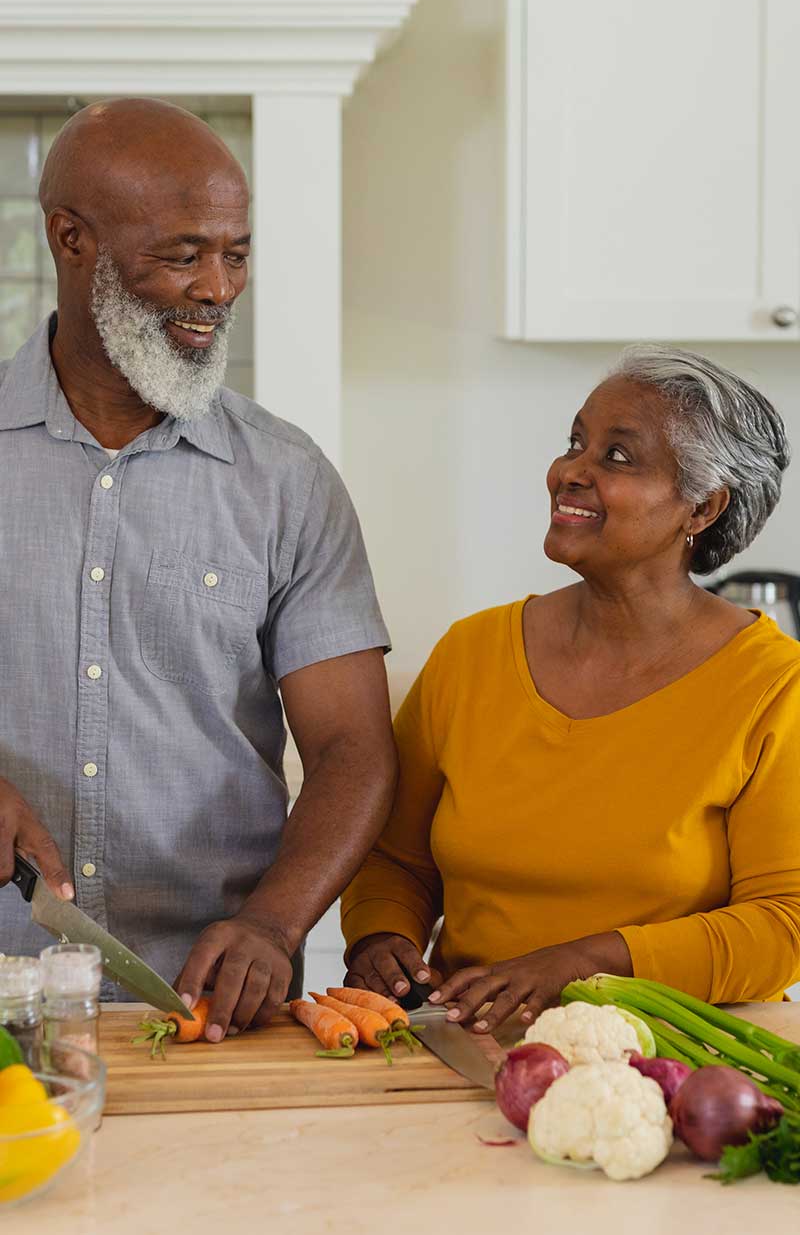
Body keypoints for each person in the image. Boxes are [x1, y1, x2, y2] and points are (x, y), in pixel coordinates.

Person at [0, 97, 397, 1041]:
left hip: (209, 1008)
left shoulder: (288, 480)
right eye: (182, 254)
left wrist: (275, 919)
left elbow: (353, 748)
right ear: (71, 239)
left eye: (238, 253)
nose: (217, 287)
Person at [342, 344, 800, 1032]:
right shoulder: (473, 653)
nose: (569, 472)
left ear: (701, 508)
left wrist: (581, 963)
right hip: (466, 1042)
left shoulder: (772, 685)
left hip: (674, 1061)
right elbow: (395, 858)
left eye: (618, 456)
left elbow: (783, 925)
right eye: (576, 442)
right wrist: (383, 939)